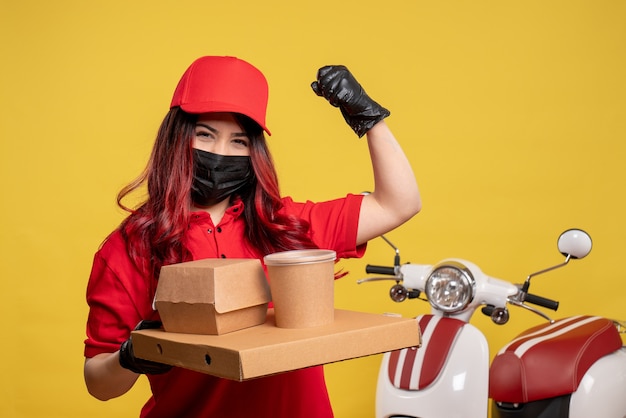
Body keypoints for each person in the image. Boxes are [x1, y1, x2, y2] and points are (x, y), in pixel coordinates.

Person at [83, 55, 421, 417]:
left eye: (238, 141)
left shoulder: (287, 227)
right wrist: (132, 355)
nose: (219, 153)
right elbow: (98, 383)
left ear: (254, 151)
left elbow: (399, 203)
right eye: (205, 135)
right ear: (177, 137)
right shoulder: (132, 246)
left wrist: (368, 118)